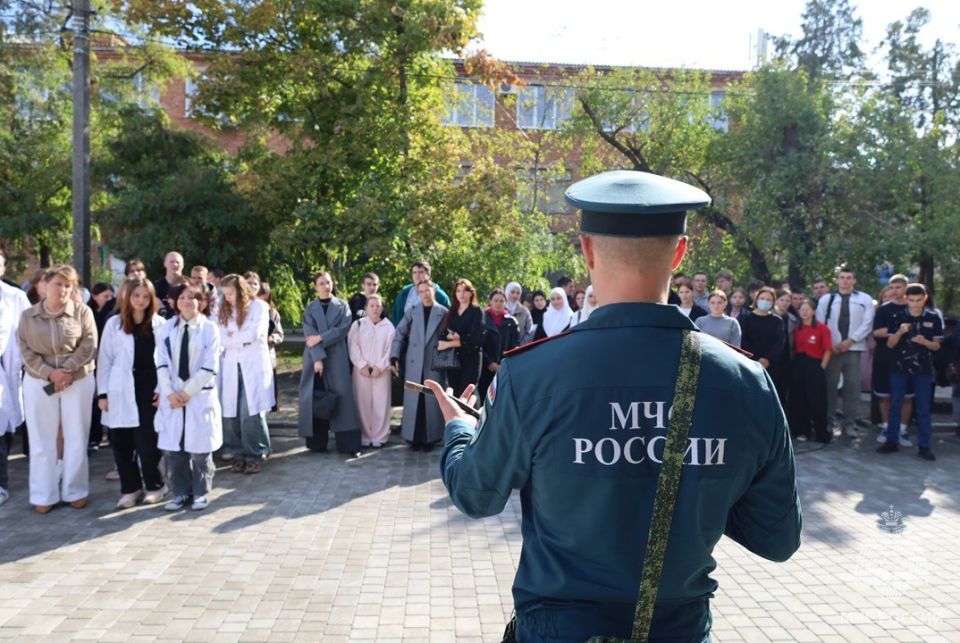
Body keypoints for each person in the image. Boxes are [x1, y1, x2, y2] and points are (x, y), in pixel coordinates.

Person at [427, 169, 800, 642]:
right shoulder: (747, 383)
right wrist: (697, 486)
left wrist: (461, 430)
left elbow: (477, 495)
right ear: (680, 251)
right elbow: (778, 537)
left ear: (586, 250)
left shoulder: (533, 374)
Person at [17, 265, 98, 513]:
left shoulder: (82, 312)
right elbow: (25, 349)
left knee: (76, 436)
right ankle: (44, 494)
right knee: (42, 439)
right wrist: (49, 373)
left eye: (67, 285)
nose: (62, 289)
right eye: (57, 284)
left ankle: (75, 490)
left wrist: (67, 371)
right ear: (45, 285)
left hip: (78, 378)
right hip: (39, 380)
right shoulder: (28, 316)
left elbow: (89, 343)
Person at [96, 278, 166, 508]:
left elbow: (167, 362)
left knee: (148, 444)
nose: (141, 301)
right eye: (136, 295)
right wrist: (103, 394)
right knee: (122, 443)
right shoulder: (114, 323)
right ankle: (130, 489)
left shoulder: (160, 325)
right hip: (120, 389)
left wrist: (162, 389)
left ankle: (155, 485)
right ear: (128, 297)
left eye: (146, 297)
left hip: (149, 389)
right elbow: (104, 360)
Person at [155, 282, 222, 511]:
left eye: (191, 297)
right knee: (175, 450)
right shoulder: (166, 328)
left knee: (200, 451)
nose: (186, 301)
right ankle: (181, 493)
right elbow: (161, 362)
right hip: (173, 398)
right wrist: (169, 393)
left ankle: (201, 493)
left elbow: (210, 366)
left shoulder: (210, 328)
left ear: (201, 302)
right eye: (181, 297)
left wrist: (186, 392)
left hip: (197, 396)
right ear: (174, 301)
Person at [298, 272, 362, 456]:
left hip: (337, 357)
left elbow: (342, 329)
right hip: (314, 359)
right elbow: (309, 333)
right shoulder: (310, 308)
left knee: (343, 398)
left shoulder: (342, 306)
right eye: (321, 283)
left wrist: (321, 338)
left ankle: (348, 444)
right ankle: (318, 443)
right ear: (315, 287)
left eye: (328, 282)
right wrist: (317, 358)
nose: (326, 286)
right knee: (316, 397)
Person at [878, 283, 942, 461]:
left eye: (918, 300)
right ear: (906, 299)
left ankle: (924, 446)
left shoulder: (933, 317)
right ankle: (891, 441)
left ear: (925, 299)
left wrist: (925, 342)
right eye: (912, 300)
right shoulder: (897, 316)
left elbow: (937, 346)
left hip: (923, 368)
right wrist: (899, 332)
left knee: (923, 408)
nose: (915, 304)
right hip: (899, 367)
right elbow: (890, 344)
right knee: (895, 404)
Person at [218, 274, 275, 474]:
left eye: (231, 293)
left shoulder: (259, 307)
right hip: (232, 365)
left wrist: (233, 338)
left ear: (241, 291)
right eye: (225, 294)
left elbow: (254, 334)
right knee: (231, 412)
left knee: (249, 412)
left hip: (253, 365)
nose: (228, 298)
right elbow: (220, 336)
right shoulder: (225, 309)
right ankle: (238, 452)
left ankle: (255, 452)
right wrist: (236, 339)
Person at [390, 279, 449, 451]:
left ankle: (431, 438)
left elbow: (449, 335)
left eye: (427, 290)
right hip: (414, 362)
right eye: (421, 291)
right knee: (414, 399)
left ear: (433, 290)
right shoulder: (412, 311)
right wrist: (394, 355)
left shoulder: (443, 312)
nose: (424, 294)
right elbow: (399, 333)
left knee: (430, 400)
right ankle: (413, 437)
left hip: (433, 363)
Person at [815, 267, 875, 437]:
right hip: (832, 350)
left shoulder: (864, 299)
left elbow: (867, 323)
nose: (845, 281)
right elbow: (820, 323)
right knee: (830, 387)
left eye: (849, 277)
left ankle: (849, 424)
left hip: (854, 349)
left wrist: (851, 340)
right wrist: (830, 345)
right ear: (837, 280)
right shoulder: (827, 299)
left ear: (854, 280)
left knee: (852, 387)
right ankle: (829, 421)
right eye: (842, 277)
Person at [0, 257, 30, 505]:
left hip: (5, 370)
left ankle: (1, 484)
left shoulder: (15, 296)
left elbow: (25, 332)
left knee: (5, 428)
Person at [347, 294, 395, 448]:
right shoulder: (358, 325)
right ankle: (364, 436)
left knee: (381, 403)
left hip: (382, 371)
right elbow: (353, 346)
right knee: (362, 403)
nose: (375, 309)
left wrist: (380, 366)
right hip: (361, 371)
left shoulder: (389, 327)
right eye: (372, 305)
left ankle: (380, 437)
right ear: (366, 308)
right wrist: (362, 365)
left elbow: (390, 349)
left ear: (382, 308)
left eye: (378, 305)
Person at [871, 274, 912, 445]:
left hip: (908, 359)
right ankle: (887, 427)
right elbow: (876, 332)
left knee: (907, 396)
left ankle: (902, 430)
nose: (895, 291)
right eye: (892, 288)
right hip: (885, 358)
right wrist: (897, 330)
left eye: (899, 287)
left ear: (906, 288)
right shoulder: (883, 309)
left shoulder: (913, 307)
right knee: (884, 395)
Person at [790, 299, 832, 443]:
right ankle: (803, 431)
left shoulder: (822, 328)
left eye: (807, 309)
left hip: (815, 365)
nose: (804, 312)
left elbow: (827, 350)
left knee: (817, 400)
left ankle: (821, 433)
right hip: (799, 364)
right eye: (802, 309)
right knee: (800, 399)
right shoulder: (797, 328)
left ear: (813, 311)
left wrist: (822, 367)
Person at [438, 278, 485, 398]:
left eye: (465, 291)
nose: (461, 294)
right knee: (453, 393)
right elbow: (442, 334)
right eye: (458, 291)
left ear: (471, 293)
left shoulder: (477, 311)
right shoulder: (452, 311)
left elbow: (476, 339)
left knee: (467, 392)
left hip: (471, 359)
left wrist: (451, 343)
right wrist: (452, 337)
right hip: (453, 359)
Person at [478, 288, 520, 401]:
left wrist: (504, 364)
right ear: (490, 302)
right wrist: (490, 363)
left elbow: (516, 345)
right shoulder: (481, 319)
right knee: (485, 399)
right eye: (495, 300)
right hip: (484, 368)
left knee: (502, 400)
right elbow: (478, 345)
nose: (498, 303)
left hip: (504, 368)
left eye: (501, 301)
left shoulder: (512, 321)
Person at [88, 282, 116, 452]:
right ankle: (94, 437)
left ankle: (111, 436)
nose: (108, 300)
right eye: (105, 296)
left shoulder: (111, 313)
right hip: (91, 361)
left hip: (106, 360)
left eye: (111, 296)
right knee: (94, 401)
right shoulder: (88, 311)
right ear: (94, 296)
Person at [738, 287, 785, 377]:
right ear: (756, 300)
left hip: (771, 365)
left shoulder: (777, 321)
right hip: (750, 362)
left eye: (768, 299)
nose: (765, 301)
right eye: (762, 298)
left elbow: (779, 343)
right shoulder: (745, 318)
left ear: (773, 302)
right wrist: (756, 358)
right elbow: (743, 340)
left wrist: (767, 359)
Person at [391, 261, 451, 327]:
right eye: (414, 272)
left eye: (421, 272)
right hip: (406, 335)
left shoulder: (440, 296)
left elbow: (449, 320)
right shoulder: (403, 294)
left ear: (429, 275)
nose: (417, 275)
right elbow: (395, 318)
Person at [257, 282, 284, 413]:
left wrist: (270, 339)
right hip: (251, 356)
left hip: (267, 353)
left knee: (268, 389)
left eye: (265, 295)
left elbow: (279, 334)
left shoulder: (272, 313)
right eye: (260, 294)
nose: (262, 297)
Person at [154, 251, 185, 319]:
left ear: (183, 265)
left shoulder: (188, 285)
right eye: (172, 262)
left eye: (177, 262)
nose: (175, 264)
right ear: (165, 264)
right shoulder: (156, 286)